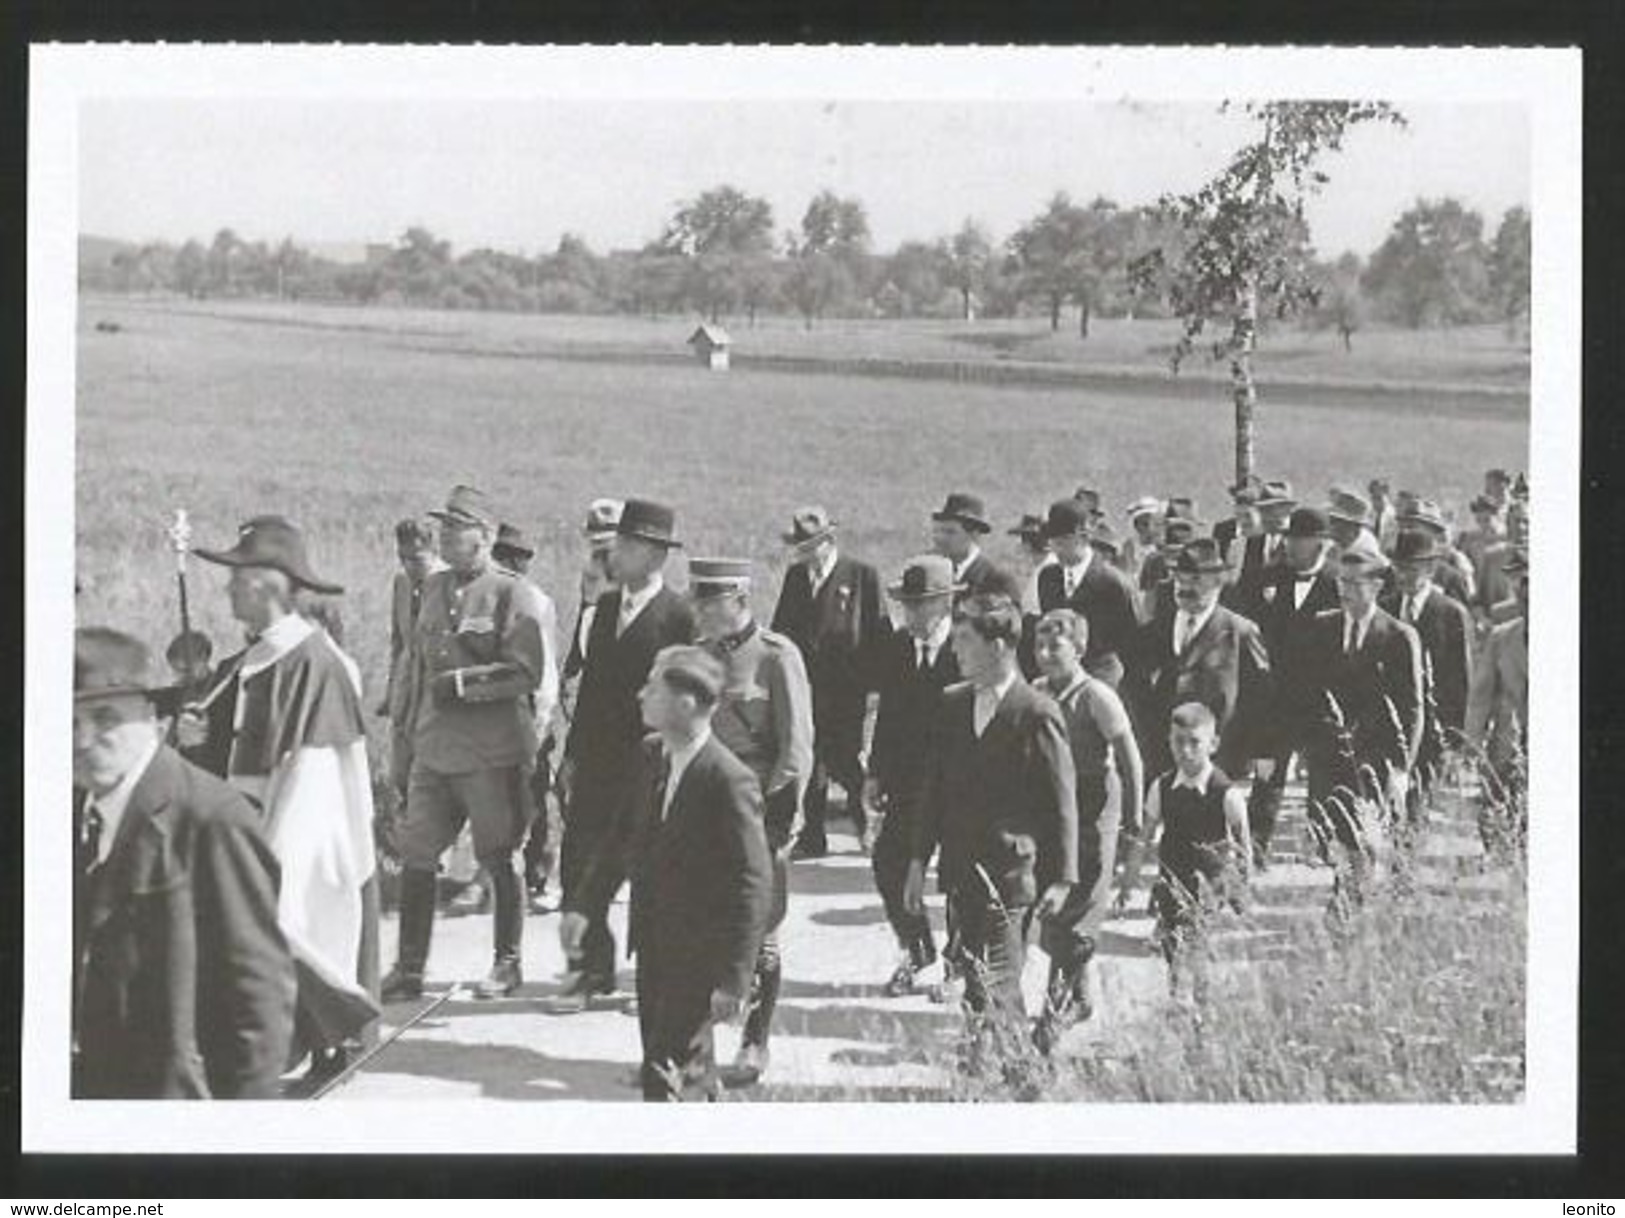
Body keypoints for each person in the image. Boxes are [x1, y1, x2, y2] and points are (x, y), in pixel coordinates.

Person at [184, 516, 381, 1084]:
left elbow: (313, 770)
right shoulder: (250, 660)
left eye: (236, 576)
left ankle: (324, 1046)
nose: (226, 588)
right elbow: (226, 752)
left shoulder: (313, 663)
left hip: (302, 825)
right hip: (248, 825)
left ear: (267, 583)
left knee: (299, 925)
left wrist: (272, 854)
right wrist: (197, 740)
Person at [73, 627, 296, 1099]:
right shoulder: (73, 812)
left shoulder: (210, 817)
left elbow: (258, 1000)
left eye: (105, 718)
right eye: (68, 723)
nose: (84, 740)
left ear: (152, 717)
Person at [561, 646, 774, 1102]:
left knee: (670, 1073)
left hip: (699, 956)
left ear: (686, 702)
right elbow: (622, 841)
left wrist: (735, 979)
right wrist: (585, 905)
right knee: (676, 1069)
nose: (641, 695)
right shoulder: (650, 755)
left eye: (653, 687)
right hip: (653, 944)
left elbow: (754, 884)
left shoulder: (728, 779)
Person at [380, 486, 550, 1003]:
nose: (448, 537)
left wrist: (461, 685)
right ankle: (409, 968)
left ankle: (507, 962)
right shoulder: (432, 590)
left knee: (499, 855)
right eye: (445, 528)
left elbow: (526, 672)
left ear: (487, 536)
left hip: (491, 753)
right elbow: (414, 666)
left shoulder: (511, 593)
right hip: (434, 749)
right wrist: (404, 739)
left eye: (459, 528)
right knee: (416, 853)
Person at [905, 593, 1077, 1077]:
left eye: (965, 640)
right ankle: (1013, 1071)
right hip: (961, 871)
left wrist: (1063, 878)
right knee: (978, 981)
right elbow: (933, 790)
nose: (955, 650)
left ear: (999, 645)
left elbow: (1061, 802)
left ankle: (1003, 1073)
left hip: (1011, 874)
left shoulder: (1036, 712)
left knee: (999, 978)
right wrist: (919, 860)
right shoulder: (953, 703)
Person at [558, 497, 695, 1003]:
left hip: (650, 767)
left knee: (649, 873)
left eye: (631, 546)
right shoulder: (607, 607)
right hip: (596, 761)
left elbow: (690, 699)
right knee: (579, 863)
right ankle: (591, 969)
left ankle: (656, 979)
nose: (618, 553)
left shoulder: (679, 616)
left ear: (657, 556)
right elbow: (592, 684)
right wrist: (571, 756)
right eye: (619, 543)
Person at [690, 557, 814, 1088]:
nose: (700, 610)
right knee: (697, 929)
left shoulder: (776, 657)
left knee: (758, 932)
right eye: (698, 599)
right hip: (704, 813)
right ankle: (694, 1049)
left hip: (760, 812)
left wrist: (780, 817)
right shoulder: (695, 658)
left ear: (739, 599)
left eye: (710, 601)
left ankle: (754, 1043)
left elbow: (796, 747)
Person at [1030, 609, 1143, 1053]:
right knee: (1054, 911)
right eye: (1038, 647)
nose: (1044, 656)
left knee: (1081, 909)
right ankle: (1079, 996)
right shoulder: (1036, 692)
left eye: (1054, 648)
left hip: (1096, 811)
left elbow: (1129, 757)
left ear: (1078, 649)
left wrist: (1134, 818)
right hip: (1054, 813)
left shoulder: (1096, 696)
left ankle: (1053, 1016)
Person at [451, 522, 561, 919]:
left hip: (524, 714)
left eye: (521, 557)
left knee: (526, 800)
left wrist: (541, 721)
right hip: (487, 715)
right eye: (511, 556)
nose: (517, 564)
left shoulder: (536, 600)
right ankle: (490, 877)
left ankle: (525, 877)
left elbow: (544, 667)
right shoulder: (477, 594)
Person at [865, 555, 962, 997]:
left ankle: (961, 965)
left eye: (920, 605)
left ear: (944, 604)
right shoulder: (898, 647)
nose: (911, 613)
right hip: (907, 783)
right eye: (906, 604)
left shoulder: (966, 647)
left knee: (961, 876)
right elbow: (887, 715)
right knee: (889, 863)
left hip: (958, 784)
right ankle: (917, 947)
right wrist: (874, 773)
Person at [1305, 538, 1425, 887]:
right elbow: (1307, 693)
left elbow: (1412, 708)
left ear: (1377, 586)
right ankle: (1349, 903)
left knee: (1366, 845)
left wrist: (1402, 768)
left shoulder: (1399, 636)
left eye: (1355, 583)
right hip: (1329, 760)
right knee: (1333, 846)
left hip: (1376, 762)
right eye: (1341, 581)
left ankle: (1350, 913)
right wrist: (1308, 745)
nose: (1345, 590)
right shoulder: (1321, 627)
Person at [1116, 702, 1251, 1005]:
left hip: (1209, 884)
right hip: (1171, 879)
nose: (1186, 750)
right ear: (1169, 741)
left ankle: (1203, 1004)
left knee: (1198, 943)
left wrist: (1242, 885)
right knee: (1173, 946)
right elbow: (1145, 835)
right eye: (1179, 741)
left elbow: (1244, 844)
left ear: (1213, 744)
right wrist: (1130, 876)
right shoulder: (1162, 787)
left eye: (1195, 742)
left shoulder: (1226, 793)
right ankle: (1177, 999)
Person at [771, 506, 886, 859]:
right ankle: (813, 834)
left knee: (849, 761)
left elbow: (878, 633)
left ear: (829, 541)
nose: (805, 555)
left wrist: (873, 687)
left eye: (811, 547)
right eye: (800, 548)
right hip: (806, 688)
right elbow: (781, 629)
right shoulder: (796, 578)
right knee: (811, 760)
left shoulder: (861, 576)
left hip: (847, 690)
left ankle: (866, 824)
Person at [1127, 537, 1274, 783]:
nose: (1184, 588)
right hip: (1163, 760)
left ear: (1218, 582)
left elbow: (1262, 698)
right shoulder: (1155, 630)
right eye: (1179, 580)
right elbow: (1134, 685)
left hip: (1221, 759)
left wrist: (1261, 751)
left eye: (1195, 580)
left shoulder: (1240, 632)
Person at [1247, 507, 1341, 866]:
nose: (1291, 546)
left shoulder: (1337, 583)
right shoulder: (1266, 580)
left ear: (1320, 543)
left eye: (1299, 540)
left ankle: (1320, 844)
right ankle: (1255, 847)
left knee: (1323, 774)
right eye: (1289, 538)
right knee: (1267, 774)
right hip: (1275, 697)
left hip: (1320, 699)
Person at [1382, 530, 1475, 823]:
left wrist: (1454, 740)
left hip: (1432, 731)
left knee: (1415, 804)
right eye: (1399, 568)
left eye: (1412, 569)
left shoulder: (1451, 614)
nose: (1403, 576)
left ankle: (1404, 864)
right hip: (1385, 725)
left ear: (1431, 569)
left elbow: (1461, 681)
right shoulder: (1384, 608)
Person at [1034, 497, 1139, 688]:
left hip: (1104, 681)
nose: (1057, 548)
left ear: (1083, 538)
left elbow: (1133, 647)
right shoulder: (1048, 578)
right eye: (1053, 541)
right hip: (1058, 678)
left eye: (1064, 540)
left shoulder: (1113, 584)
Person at [1465, 550, 1528, 849]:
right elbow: (1480, 695)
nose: (1528, 597)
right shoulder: (1502, 636)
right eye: (1522, 589)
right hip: (1508, 738)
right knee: (1499, 810)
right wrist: (1473, 741)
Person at [380, 517, 445, 799]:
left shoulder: (449, 584)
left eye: (416, 559)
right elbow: (397, 640)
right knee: (400, 770)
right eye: (402, 558)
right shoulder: (401, 582)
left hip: (435, 685)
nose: (408, 566)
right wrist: (391, 689)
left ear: (434, 552)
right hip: (407, 685)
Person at [929, 491, 1021, 602]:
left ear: (974, 534)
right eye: (937, 531)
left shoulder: (996, 579)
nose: (940, 538)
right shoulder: (929, 573)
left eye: (950, 532)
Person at [1225, 479, 1295, 619]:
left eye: (1274, 509)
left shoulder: (1299, 544)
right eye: (1263, 510)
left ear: (1288, 510)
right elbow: (1241, 589)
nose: (1268, 516)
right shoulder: (1250, 544)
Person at [1120, 496, 1164, 585]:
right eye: (1144, 523)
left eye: (1154, 523)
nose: (1150, 528)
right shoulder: (1128, 547)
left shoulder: (1164, 548)